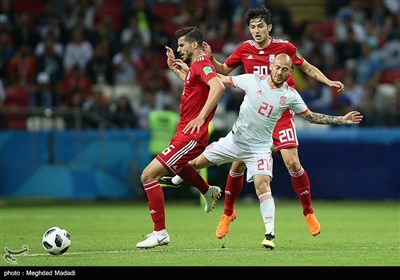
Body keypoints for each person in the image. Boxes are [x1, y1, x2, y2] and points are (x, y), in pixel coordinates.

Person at [160, 6, 346, 239]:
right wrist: (209, 59)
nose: (256, 31)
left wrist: (328, 81)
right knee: (237, 164)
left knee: (292, 162)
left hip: (281, 111)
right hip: (254, 115)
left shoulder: (285, 48)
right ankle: (227, 213)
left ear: (269, 27)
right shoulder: (244, 49)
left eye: (260, 26)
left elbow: (306, 67)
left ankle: (308, 212)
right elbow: (223, 71)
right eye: (252, 27)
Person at [178, 53, 362, 249]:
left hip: (259, 148)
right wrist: (189, 73)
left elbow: (310, 117)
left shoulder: (290, 95)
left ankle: (270, 234)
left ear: (290, 72)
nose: (280, 72)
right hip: (235, 141)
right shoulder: (252, 80)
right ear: (271, 66)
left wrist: (341, 119)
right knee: (194, 163)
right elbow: (219, 79)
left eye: (285, 70)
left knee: (263, 185)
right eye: (278, 67)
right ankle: (176, 181)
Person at [136, 26, 225, 249]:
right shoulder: (195, 67)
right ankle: (208, 190)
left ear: (194, 44)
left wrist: (201, 117)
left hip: (191, 136)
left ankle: (160, 233)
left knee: (148, 175)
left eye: (181, 45)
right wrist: (176, 70)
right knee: (180, 166)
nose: (178, 49)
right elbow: (194, 86)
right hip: (183, 133)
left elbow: (218, 86)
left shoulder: (203, 63)